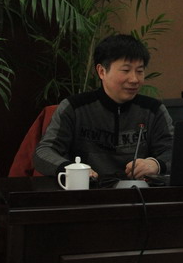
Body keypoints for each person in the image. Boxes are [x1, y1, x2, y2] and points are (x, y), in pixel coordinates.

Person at [34, 34, 174, 180]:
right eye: (126, 70)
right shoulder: (74, 108)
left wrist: (156, 164)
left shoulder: (153, 110)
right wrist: (71, 169)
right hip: (87, 189)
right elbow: (43, 153)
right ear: (102, 71)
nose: (134, 79)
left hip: (138, 191)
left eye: (140, 71)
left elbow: (175, 152)